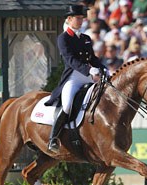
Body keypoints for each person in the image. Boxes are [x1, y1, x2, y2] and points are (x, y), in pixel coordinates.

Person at [44, 4, 106, 153]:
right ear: (69, 19)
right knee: (67, 105)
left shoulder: (85, 38)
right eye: (77, 18)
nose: (80, 21)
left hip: (89, 77)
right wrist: (89, 69)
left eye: (82, 18)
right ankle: (53, 138)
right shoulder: (63, 38)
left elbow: (92, 57)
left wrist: (104, 69)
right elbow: (70, 59)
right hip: (73, 77)